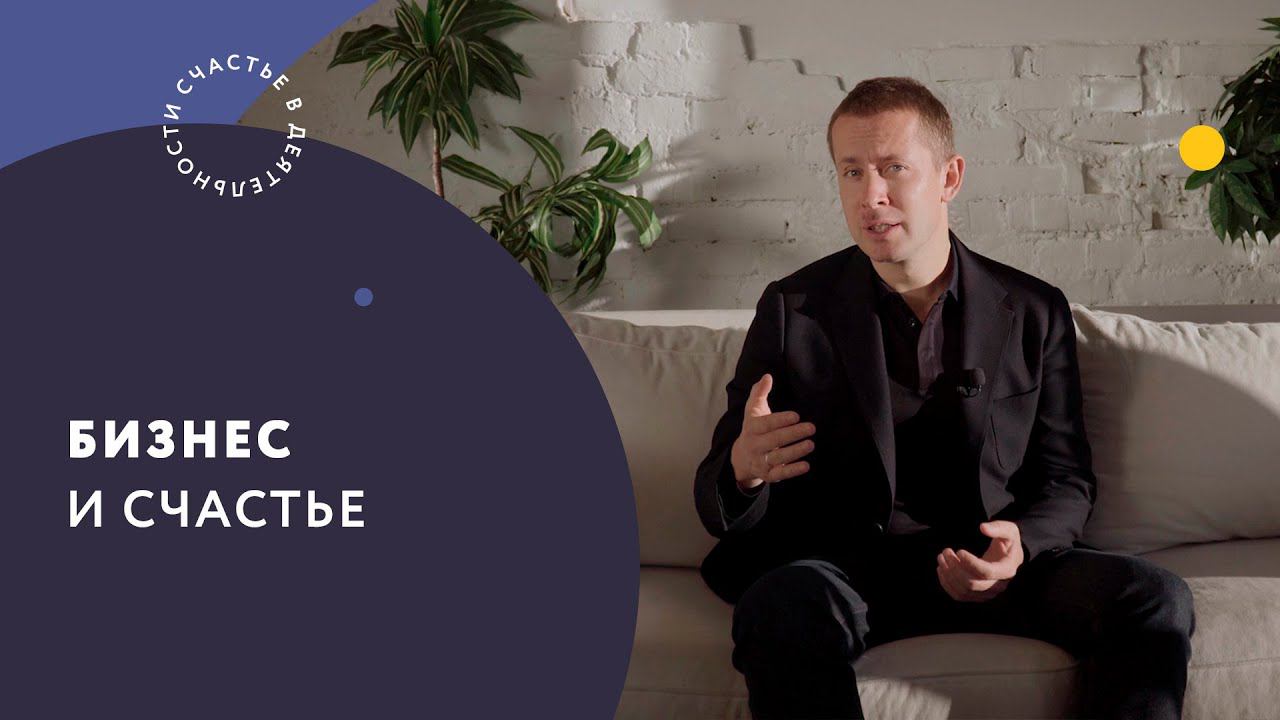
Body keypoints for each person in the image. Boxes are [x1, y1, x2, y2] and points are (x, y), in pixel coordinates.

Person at [692, 76, 1196, 720]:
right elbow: (717, 488)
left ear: (949, 177)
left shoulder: (1035, 310)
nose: (870, 195)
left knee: (1155, 597)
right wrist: (743, 471)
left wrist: (1018, 546)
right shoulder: (793, 309)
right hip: (851, 573)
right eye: (851, 172)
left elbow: (1067, 478)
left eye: (893, 168)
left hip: (997, 566)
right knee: (779, 604)